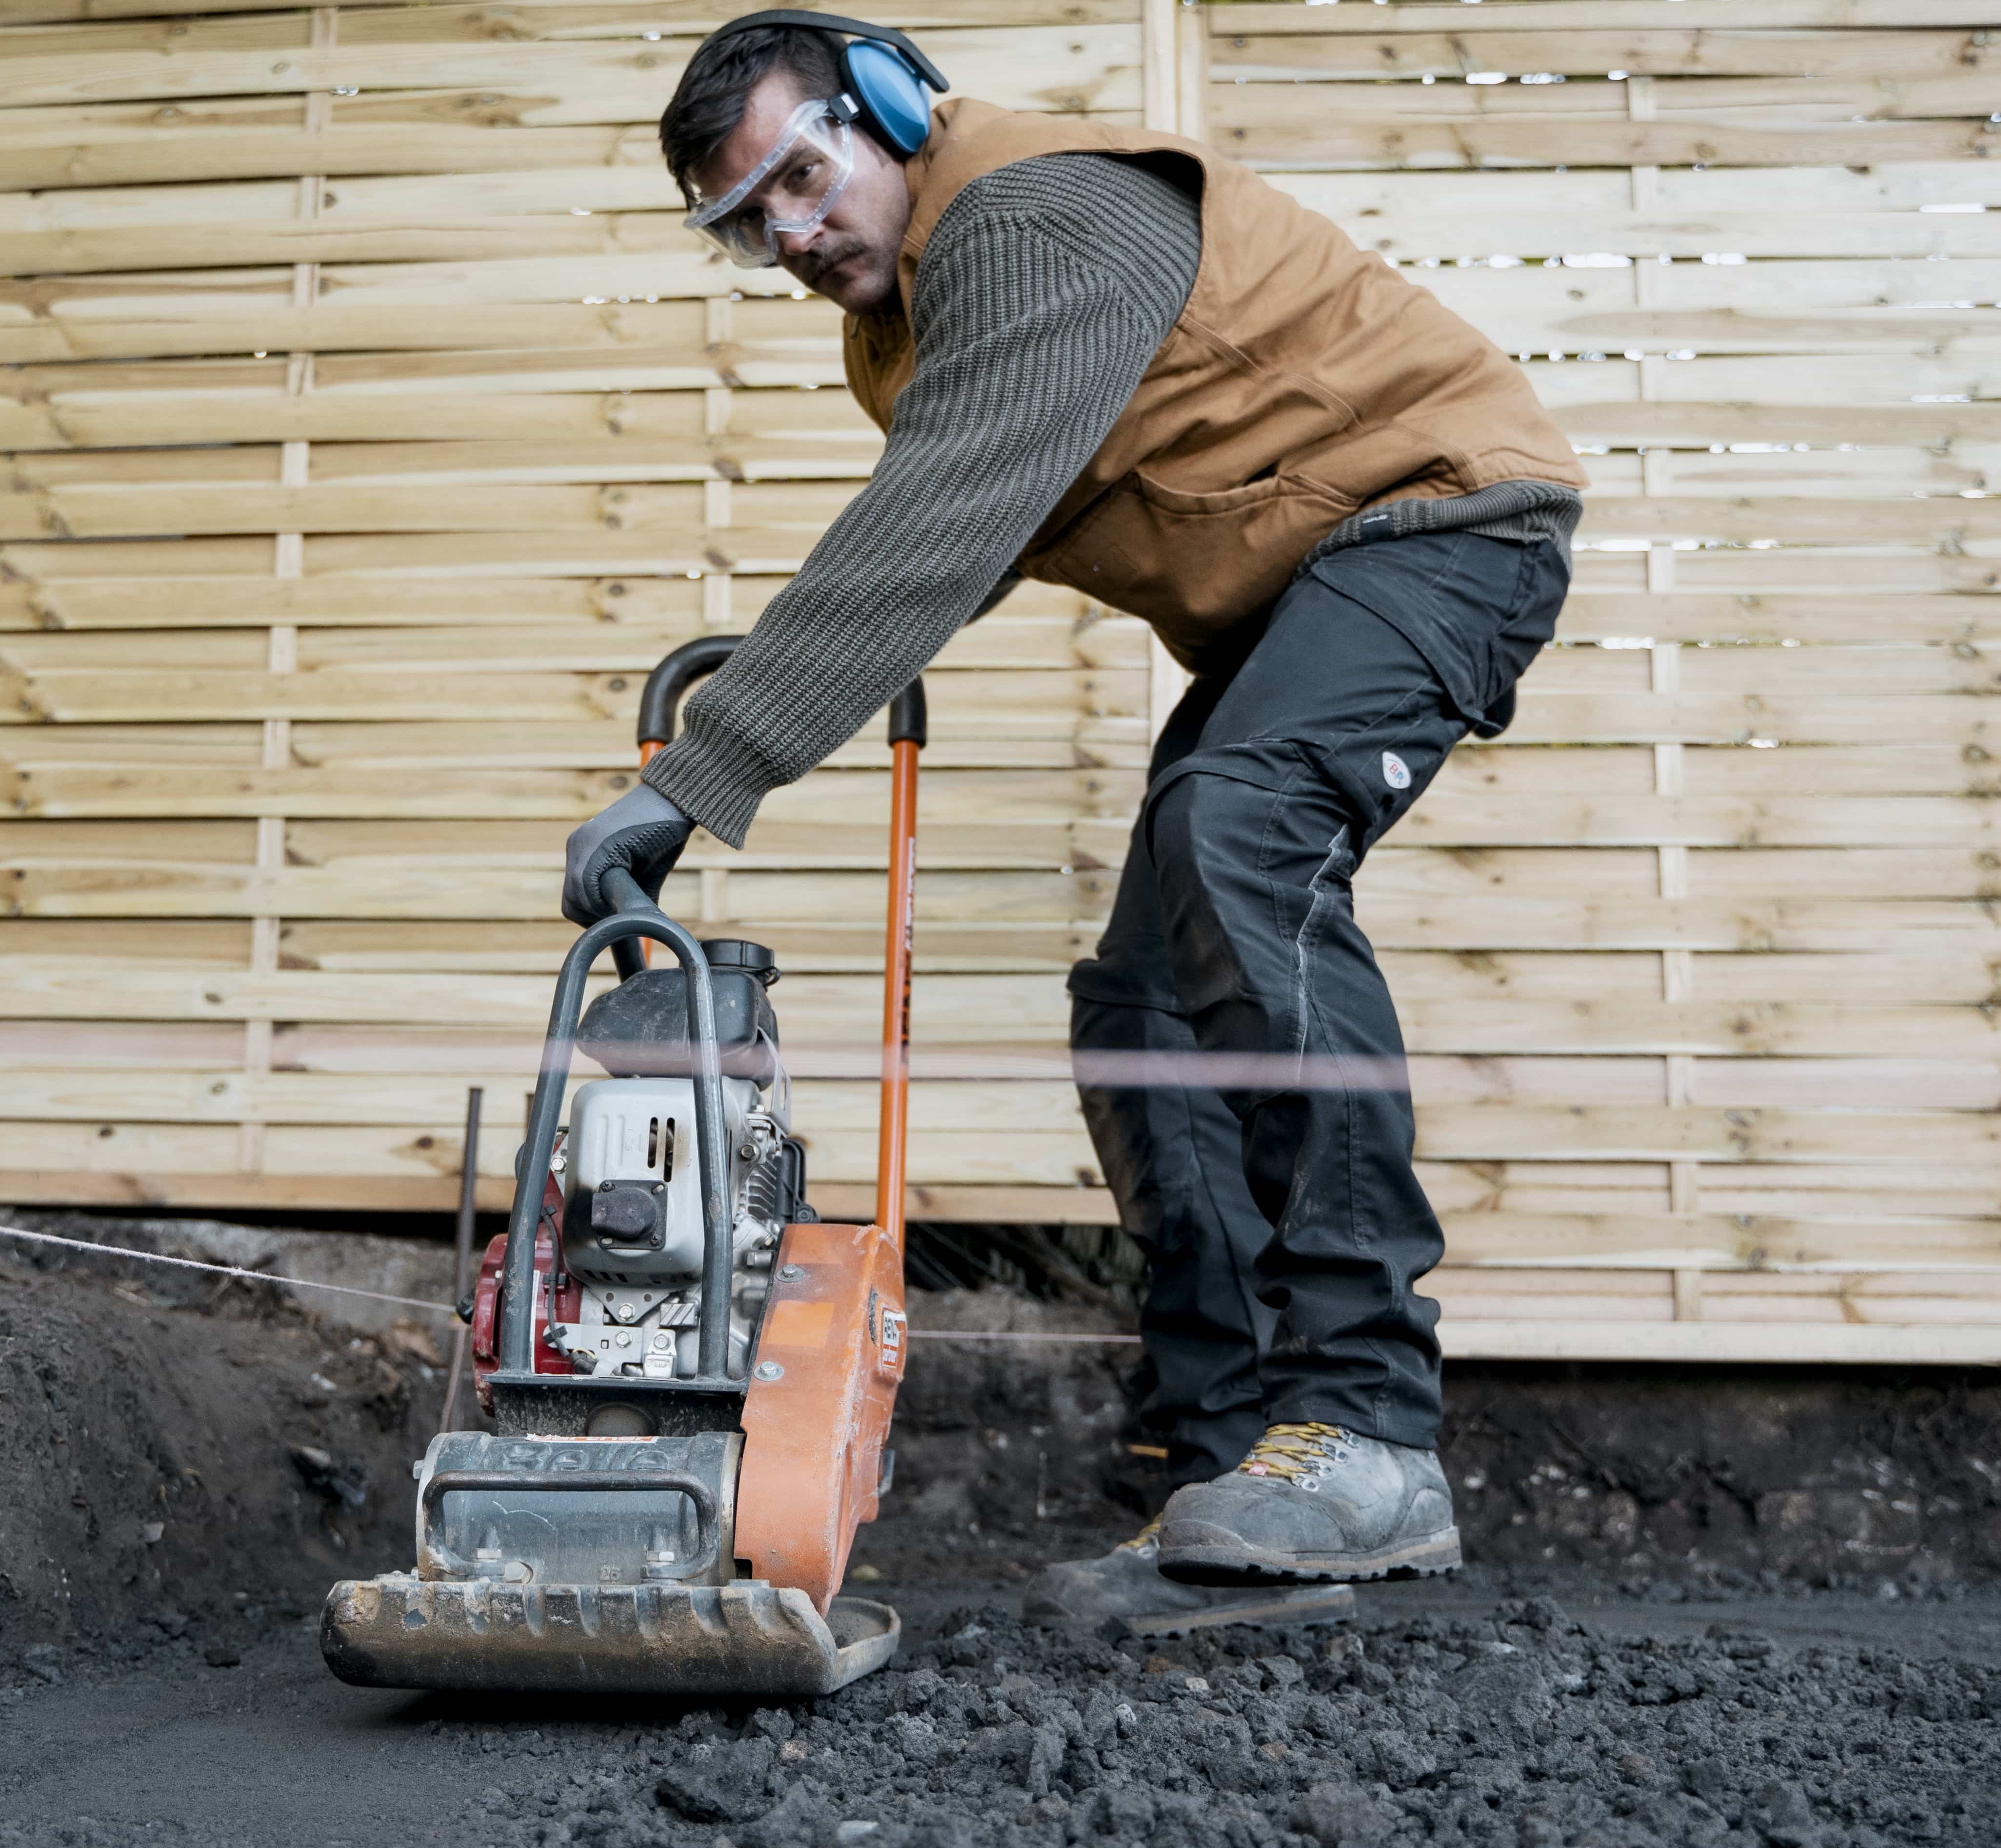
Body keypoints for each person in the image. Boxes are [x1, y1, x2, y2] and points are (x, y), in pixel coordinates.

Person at [559, 14, 1584, 1629]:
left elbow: (940, 520)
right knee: (1142, 998)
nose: (791, 235)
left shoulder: (1039, 217)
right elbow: (953, 534)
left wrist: (704, 772)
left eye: (804, 180)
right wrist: (736, 750)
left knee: (1235, 831)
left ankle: (1367, 1425)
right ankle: (1240, 1450)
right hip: (1299, 593)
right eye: (747, 222)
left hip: (1442, 526)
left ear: (888, 110)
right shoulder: (900, 327)